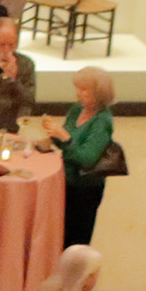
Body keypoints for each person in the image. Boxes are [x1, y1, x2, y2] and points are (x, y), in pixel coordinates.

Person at [48, 65, 115, 246]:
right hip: (65, 181)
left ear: (99, 93)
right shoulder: (77, 110)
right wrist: (55, 134)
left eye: (84, 90)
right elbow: (65, 141)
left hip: (85, 188)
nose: (79, 93)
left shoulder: (102, 120)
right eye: (78, 88)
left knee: (76, 239)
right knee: (57, 234)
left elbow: (87, 158)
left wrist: (65, 138)